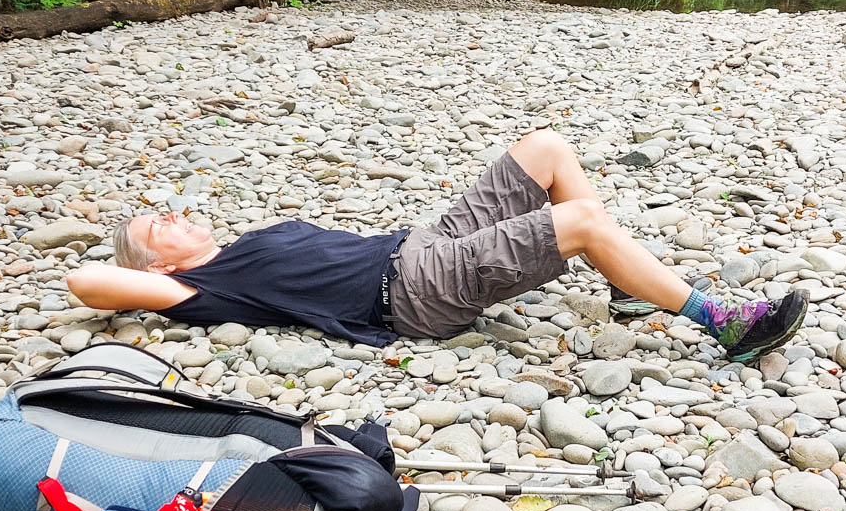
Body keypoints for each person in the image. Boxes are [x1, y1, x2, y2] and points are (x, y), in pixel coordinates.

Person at [66, 129, 807, 364]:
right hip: (414, 295)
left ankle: (624, 279)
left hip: (425, 245)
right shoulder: (201, 290)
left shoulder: (242, 247)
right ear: (156, 266)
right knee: (581, 223)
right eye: (154, 227)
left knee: (545, 147)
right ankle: (723, 324)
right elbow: (84, 282)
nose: (172, 215)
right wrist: (141, 266)